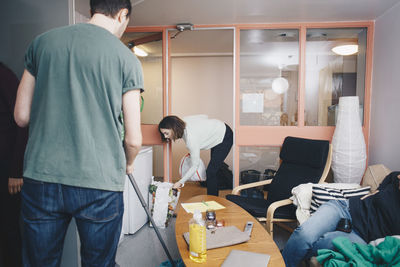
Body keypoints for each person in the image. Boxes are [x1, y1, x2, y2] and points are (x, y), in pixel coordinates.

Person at [13, 0, 143, 265]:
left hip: (42, 177)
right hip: (100, 182)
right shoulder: (126, 59)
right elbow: (133, 139)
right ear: (123, 14)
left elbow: (21, 116)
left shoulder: (42, 43)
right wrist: (129, 163)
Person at [282, 171, 400, 267]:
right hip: (344, 208)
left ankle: (283, 256)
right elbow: (391, 177)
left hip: (361, 235)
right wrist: (376, 192)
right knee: (305, 234)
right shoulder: (396, 179)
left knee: (323, 243)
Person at [158, 115, 233, 196]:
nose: (165, 137)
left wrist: (180, 182)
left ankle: (212, 201)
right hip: (219, 129)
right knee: (214, 167)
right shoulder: (183, 121)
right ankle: (220, 183)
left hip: (225, 136)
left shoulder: (191, 139)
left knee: (211, 172)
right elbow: (204, 117)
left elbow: (195, 166)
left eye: (166, 133)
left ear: (174, 128)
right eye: (164, 134)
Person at [0, 62, 28, 267]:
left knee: (8, 229)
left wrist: (16, 171)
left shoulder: (4, 75)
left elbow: (23, 124)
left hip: (7, 169)